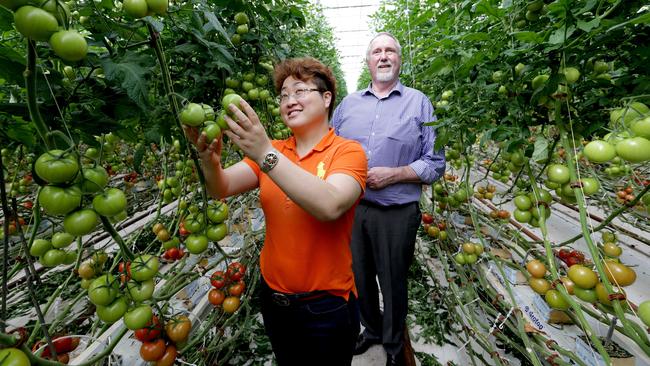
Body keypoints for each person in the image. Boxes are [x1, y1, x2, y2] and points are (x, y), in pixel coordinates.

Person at [184, 57, 367, 366]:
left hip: (326, 307)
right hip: (274, 301)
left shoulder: (347, 151)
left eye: (299, 90)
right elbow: (222, 187)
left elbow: (330, 204)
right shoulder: (276, 150)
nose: (289, 100)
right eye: (283, 95)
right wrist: (209, 160)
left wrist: (264, 152)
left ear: (326, 98)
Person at [331, 32, 446, 366]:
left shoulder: (419, 102)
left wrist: (394, 174)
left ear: (399, 59)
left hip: (397, 211)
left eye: (390, 51)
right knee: (359, 277)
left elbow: (435, 163)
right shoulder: (348, 105)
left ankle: (394, 345)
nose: (383, 56)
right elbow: (331, 149)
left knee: (393, 281)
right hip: (353, 209)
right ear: (368, 61)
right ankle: (372, 328)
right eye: (377, 51)